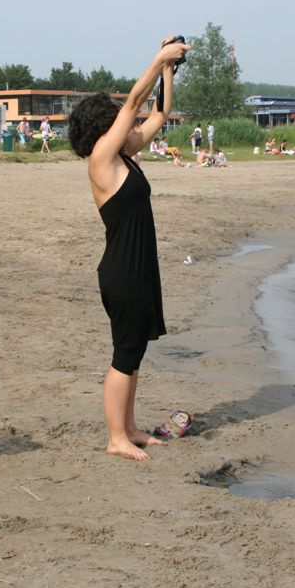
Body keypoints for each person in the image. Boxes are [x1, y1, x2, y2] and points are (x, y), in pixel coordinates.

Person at [67, 35, 189, 461]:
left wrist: (170, 72)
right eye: (117, 118)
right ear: (104, 125)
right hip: (122, 270)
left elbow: (158, 112)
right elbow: (135, 100)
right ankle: (115, 437)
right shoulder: (102, 157)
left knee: (134, 351)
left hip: (136, 267)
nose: (127, 124)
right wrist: (157, 59)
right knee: (124, 354)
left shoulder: (125, 155)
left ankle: (130, 428)